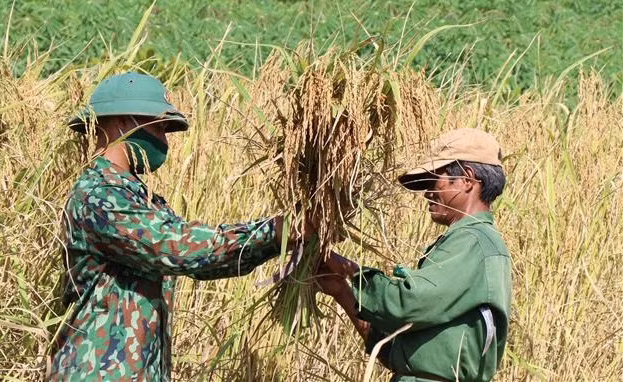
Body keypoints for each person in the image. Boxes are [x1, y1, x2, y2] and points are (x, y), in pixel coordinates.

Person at [49, 72, 300, 381]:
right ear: (125, 123)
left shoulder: (141, 199)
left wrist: (282, 237)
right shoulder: (99, 196)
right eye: (159, 127)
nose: (164, 140)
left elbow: (200, 263)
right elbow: (179, 248)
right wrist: (275, 229)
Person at [315, 128, 512, 382]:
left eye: (434, 181)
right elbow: (395, 349)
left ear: (467, 179)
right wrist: (342, 290)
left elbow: (406, 303)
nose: (428, 193)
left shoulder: (474, 242)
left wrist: (344, 267)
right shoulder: (466, 244)